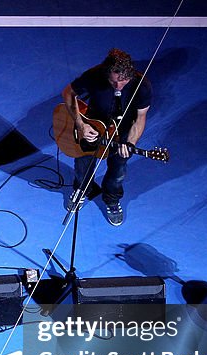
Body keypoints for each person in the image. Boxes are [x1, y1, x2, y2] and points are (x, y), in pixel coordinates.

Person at [61, 48, 151, 225]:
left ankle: (111, 199)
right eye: (114, 81)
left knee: (118, 170)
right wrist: (80, 124)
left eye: (123, 82)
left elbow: (140, 118)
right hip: (93, 124)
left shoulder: (142, 85)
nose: (118, 87)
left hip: (123, 132)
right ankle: (81, 189)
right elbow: (68, 93)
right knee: (82, 163)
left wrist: (131, 143)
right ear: (106, 73)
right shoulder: (94, 75)